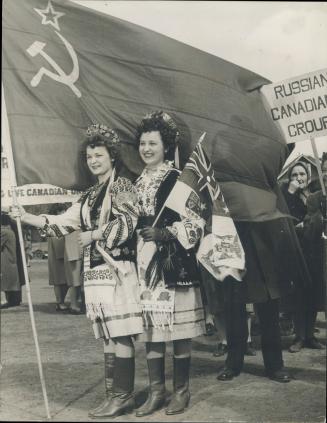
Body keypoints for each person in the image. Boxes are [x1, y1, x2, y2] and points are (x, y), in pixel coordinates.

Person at [9, 124, 143, 418]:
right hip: (96, 274)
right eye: (89, 156)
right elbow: (62, 222)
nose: (93, 160)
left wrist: (94, 235)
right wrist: (27, 216)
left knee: (121, 334)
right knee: (108, 335)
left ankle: (123, 396)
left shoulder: (122, 186)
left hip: (118, 270)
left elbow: (129, 224)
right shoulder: (90, 194)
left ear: (112, 157)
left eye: (99, 155)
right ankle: (114, 396)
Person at [134, 111, 206, 416]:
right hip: (143, 264)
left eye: (153, 143)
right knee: (151, 330)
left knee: (177, 331)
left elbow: (198, 222)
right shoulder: (135, 183)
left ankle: (181, 391)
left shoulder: (179, 180)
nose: (146, 148)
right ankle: (156, 392)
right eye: (142, 143)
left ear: (166, 146)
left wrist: (165, 232)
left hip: (173, 265)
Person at [281, 161, 323, 352]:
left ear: (308, 176)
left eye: (302, 174)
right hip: (297, 250)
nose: (299, 178)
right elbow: (284, 216)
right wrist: (290, 192)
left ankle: (310, 336)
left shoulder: (317, 193)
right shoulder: (285, 194)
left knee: (314, 291)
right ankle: (299, 336)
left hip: (315, 249)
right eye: (294, 175)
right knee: (299, 293)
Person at [302, 153, 327, 341]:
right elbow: (310, 232)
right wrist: (320, 216)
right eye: (325, 169)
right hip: (320, 257)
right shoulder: (314, 199)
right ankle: (306, 336)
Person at [1, 212, 24, 308]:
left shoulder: (4, 232)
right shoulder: (11, 231)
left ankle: (4, 300)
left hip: (5, 260)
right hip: (11, 259)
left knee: (4, 281)